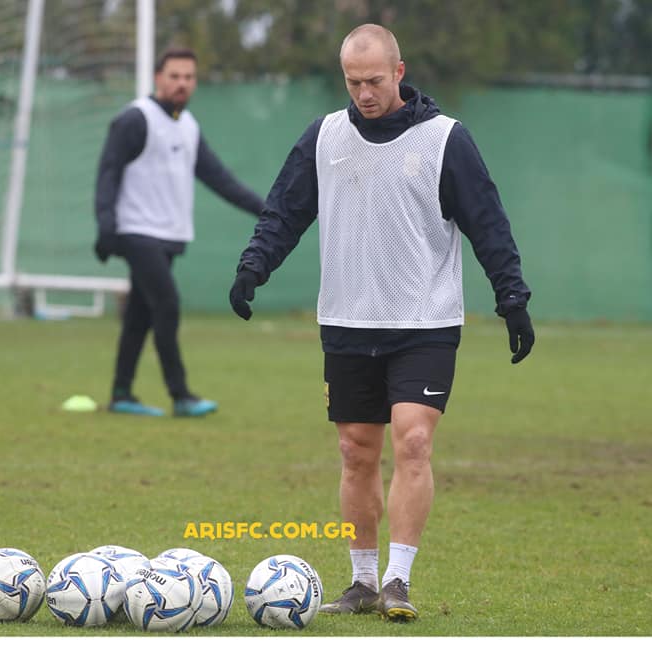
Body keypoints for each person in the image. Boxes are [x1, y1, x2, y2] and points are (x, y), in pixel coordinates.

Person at [229, 24, 535, 621]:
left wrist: (512, 297)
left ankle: (399, 580)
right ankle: (363, 582)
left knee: (413, 441)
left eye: (374, 80)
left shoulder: (445, 140)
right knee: (355, 451)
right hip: (347, 320)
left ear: (399, 72)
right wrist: (252, 267)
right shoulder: (324, 137)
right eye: (353, 82)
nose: (364, 94)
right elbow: (284, 212)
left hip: (424, 322)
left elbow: (488, 222)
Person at [94, 47, 264, 418]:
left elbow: (219, 178)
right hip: (136, 231)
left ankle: (121, 393)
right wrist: (105, 224)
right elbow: (108, 172)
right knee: (167, 304)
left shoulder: (188, 126)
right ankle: (181, 395)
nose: (182, 83)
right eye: (174, 76)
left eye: (189, 77)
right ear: (158, 78)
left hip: (169, 235)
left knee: (140, 315)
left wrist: (267, 210)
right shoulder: (135, 119)